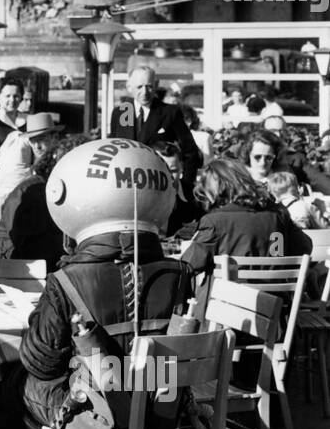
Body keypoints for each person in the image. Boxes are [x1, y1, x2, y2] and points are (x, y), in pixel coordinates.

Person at [1, 139, 194, 429]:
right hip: (164, 413)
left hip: (101, 412)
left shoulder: (67, 279)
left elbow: (41, 364)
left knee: (13, 380)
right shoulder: (179, 272)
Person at [181, 159, 313, 275]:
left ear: (212, 191)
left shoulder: (214, 222)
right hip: (278, 299)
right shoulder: (278, 214)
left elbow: (188, 265)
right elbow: (304, 248)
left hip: (228, 301)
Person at [109, 64, 201, 194]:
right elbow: (114, 149)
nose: (145, 92)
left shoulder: (170, 113)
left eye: (149, 86)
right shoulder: (122, 112)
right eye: (139, 87)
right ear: (129, 87)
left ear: (156, 85)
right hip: (125, 188)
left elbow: (190, 152)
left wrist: (185, 187)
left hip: (160, 187)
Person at [0, 114, 65, 267]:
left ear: (54, 138)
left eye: (42, 138)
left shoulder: (59, 178)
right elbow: (7, 239)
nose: (37, 146)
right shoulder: (25, 188)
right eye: (33, 140)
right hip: (31, 266)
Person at [156, 142, 203, 236]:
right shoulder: (141, 196)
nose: (168, 176)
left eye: (173, 171)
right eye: (161, 171)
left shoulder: (196, 195)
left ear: (181, 167)